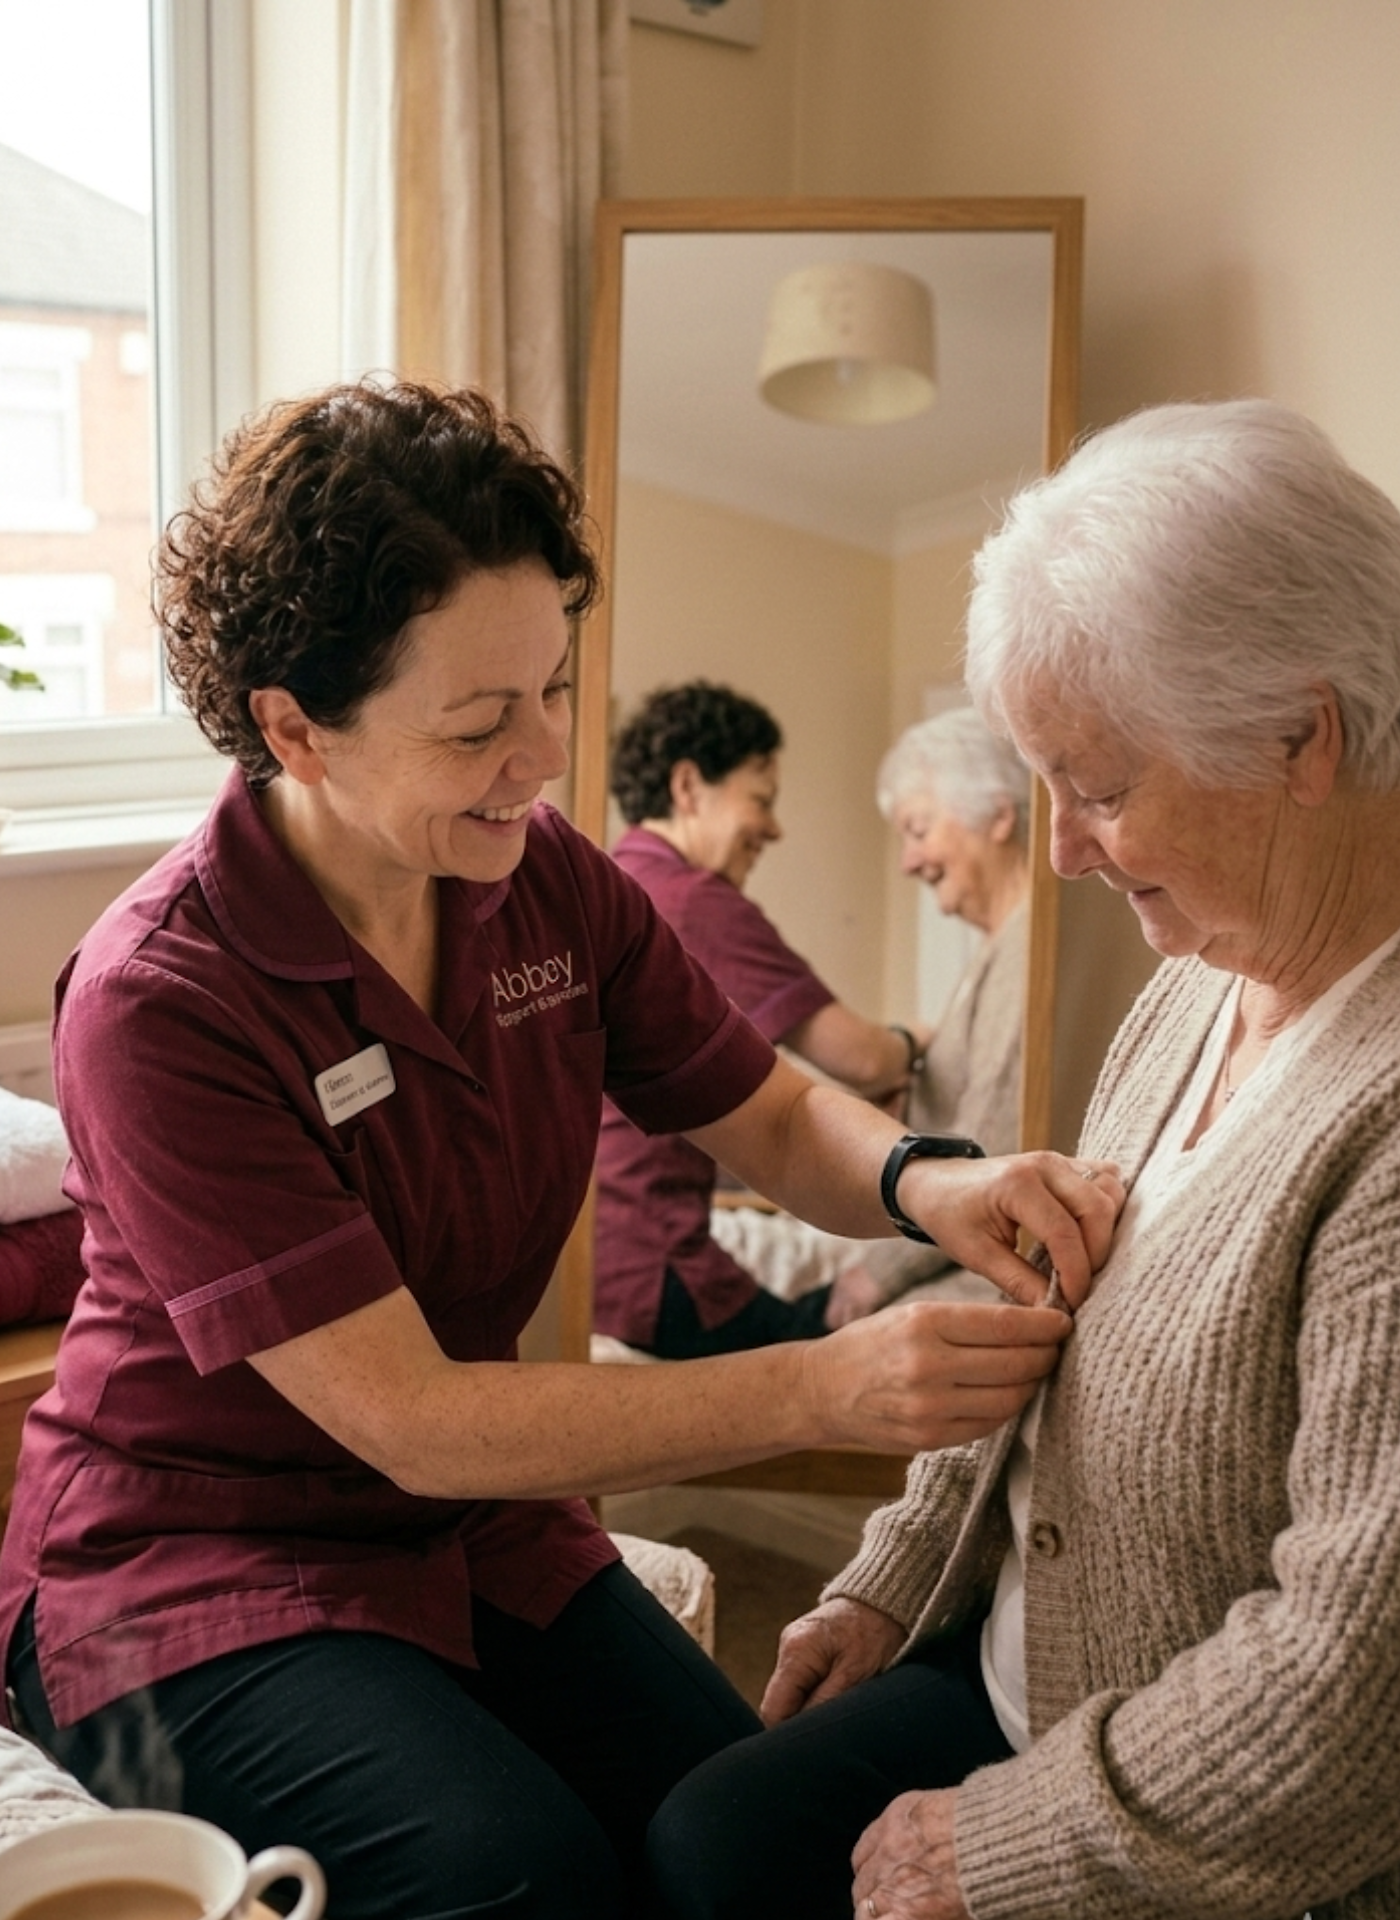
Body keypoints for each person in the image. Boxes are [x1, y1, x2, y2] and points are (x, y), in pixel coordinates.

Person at [0, 380, 1121, 1920]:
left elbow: (773, 1109)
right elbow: (410, 1419)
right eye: (478, 723)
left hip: (470, 1525)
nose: (541, 755)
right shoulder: (163, 1001)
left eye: (552, 688)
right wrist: (827, 1389)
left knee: (749, 1835)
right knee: (519, 1877)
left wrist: (936, 1179)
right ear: (291, 727)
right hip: (189, 1572)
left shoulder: (547, 888)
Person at [646, 397, 1400, 1920]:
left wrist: (1004, 1847)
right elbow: (1048, 1312)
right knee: (699, 1838)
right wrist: (898, 1569)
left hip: (1185, 1803)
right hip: (1017, 1658)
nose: (1058, 850)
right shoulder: (1199, 979)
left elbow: (1349, 1691)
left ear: (1302, 737)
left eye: (1105, 789)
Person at [592, 679, 933, 1358]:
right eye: (762, 800)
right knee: (845, 1341)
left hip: (590, 1264)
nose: (774, 828)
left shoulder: (609, 880)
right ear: (688, 787)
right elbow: (863, 1059)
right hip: (651, 1270)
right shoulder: (692, 901)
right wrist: (918, 1040)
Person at [709, 706, 1032, 1325]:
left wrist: (873, 1281)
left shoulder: (1023, 956)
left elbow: (992, 1147)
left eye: (918, 830)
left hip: (962, 1263)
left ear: (998, 815)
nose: (909, 862)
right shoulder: (992, 954)